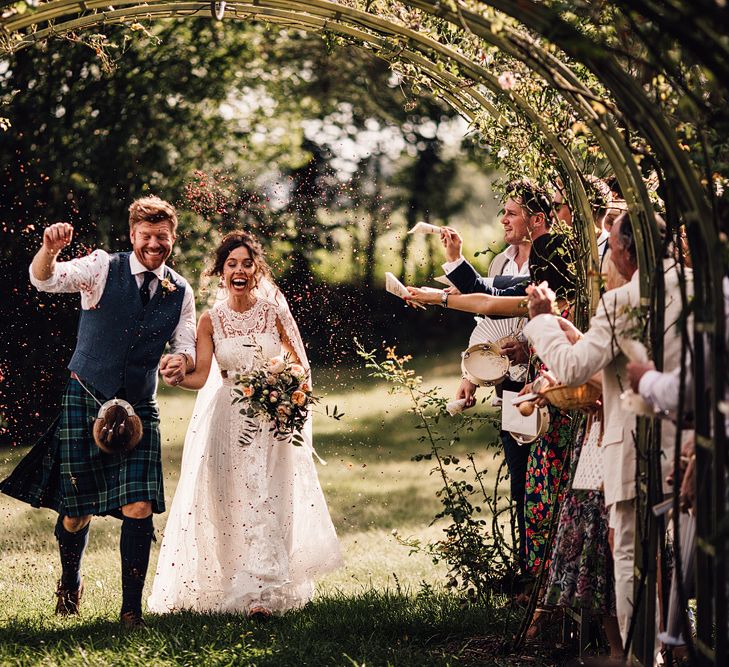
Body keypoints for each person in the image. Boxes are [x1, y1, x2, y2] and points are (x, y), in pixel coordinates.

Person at [0, 196, 197, 629]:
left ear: (172, 238)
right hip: (86, 396)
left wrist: (180, 362)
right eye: (146, 236)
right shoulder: (102, 267)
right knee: (76, 511)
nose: (154, 244)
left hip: (140, 407)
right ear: (132, 235)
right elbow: (45, 281)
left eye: (161, 237)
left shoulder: (180, 290)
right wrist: (49, 250)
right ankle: (70, 582)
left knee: (140, 505)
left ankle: (131, 610)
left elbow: (186, 346)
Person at [148, 231, 342, 617]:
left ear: (257, 270)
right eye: (231, 264)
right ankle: (237, 584)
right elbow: (202, 376)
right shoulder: (210, 319)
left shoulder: (273, 312)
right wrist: (175, 377)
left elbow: (301, 365)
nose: (239, 270)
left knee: (268, 500)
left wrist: (284, 391)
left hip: (272, 423)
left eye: (246, 264)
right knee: (233, 501)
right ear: (221, 272)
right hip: (229, 421)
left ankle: (264, 594)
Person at [522, 211, 689, 646]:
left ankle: (641, 654)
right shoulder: (698, 290)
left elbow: (573, 368)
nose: (610, 254)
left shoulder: (622, 301)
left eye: (613, 246)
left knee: (631, 555)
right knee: (689, 554)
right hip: (691, 444)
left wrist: (542, 318)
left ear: (628, 252)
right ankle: (685, 646)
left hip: (633, 446)